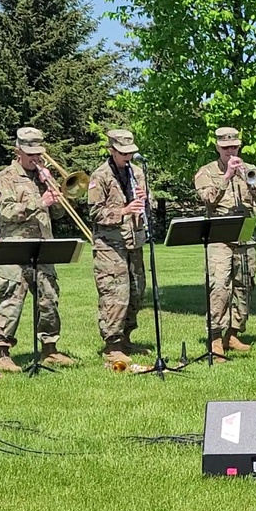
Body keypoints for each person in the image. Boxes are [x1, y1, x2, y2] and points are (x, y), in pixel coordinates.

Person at [0, 127, 75, 372]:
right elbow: (7, 211)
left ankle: (50, 349)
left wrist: (55, 193)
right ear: (18, 151)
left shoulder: (43, 177)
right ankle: (2, 353)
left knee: (49, 298)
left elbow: (58, 212)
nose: (36, 158)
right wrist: (40, 202)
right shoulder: (4, 178)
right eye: (30, 154)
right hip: (14, 248)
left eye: (39, 153)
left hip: (43, 246)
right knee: (12, 299)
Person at [194, 127, 256, 358]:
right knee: (219, 286)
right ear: (217, 147)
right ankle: (215, 336)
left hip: (245, 233)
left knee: (245, 284)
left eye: (234, 147)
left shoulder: (251, 170)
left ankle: (234, 332)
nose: (230, 151)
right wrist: (226, 177)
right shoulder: (206, 171)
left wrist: (251, 182)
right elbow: (207, 198)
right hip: (219, 234)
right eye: (226, 148)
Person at [88, 129, 148, 366]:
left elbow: (146, 205)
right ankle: (112, 345)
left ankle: (126, 338)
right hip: (110, 245)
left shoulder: (137, 172)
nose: (128, 157)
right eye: (123, 153)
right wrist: (123, 211)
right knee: (115, 294)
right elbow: (94, 212)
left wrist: (145, 200)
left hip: (134, 241)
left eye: (130, 153)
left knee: (136, 290)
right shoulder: (100, 176)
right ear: (111, 150)